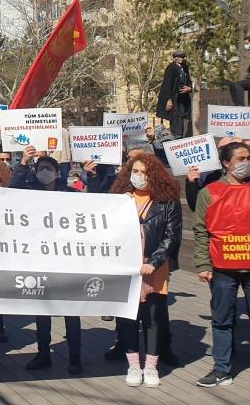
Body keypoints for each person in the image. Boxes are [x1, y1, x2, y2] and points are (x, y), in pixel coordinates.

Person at [110, 154, 181, 387]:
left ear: (155, 175)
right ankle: (133, 366)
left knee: (153, 318)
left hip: (154, 268)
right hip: (126, 267)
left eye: (144, 172)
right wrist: (123, 205)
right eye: (135, 172)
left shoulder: (167, 200)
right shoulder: (119, 199)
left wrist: (156, 261)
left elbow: (171, 236)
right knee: (129, 318)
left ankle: (151, 367)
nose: (139, 177)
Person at [11, 146, 82, 375]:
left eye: (48, 168)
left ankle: (75, 357)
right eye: (40, 168)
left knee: (71, 311)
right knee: (42, 312)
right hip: (40, 260)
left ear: (56, 171)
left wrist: (93, 176)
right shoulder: (29, 190)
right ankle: (43, 354)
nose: (45, 172)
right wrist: (23, 163)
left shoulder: (70, 193)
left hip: (67, 261)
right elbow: (12, 190)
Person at [193, 141, 250, 388]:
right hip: (222, 268)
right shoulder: (210, 192)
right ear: (226, 163)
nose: (246, 162)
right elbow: (201, 231)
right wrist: (203, 264)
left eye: (248, 157)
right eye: (241, 158)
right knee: (222, 319)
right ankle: (222, 369)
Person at [156, 49, 193, 138]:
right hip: (174, 97)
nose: (183, 59)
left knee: (182, 116)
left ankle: (181, 135)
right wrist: (168, 100)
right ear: (175, 58)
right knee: (175, 115)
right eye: (181, 57)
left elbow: (189, 81)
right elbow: (167, 84)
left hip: (183, 97)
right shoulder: (171, 68)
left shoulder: (185, 67)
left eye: (183, 57)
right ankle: (177, 136)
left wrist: (189, 88)